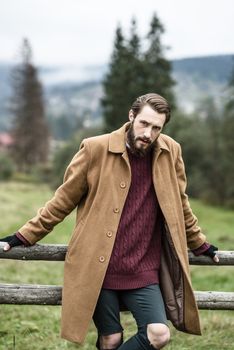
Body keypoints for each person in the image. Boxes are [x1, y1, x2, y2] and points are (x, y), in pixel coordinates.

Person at [1, 93, 219, 350]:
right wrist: (23, 236)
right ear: (131, 116)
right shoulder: (95, 149)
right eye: (144, 124)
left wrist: (200, 244)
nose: (149, 134)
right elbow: (62, 201)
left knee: (159, 334)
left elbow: (180, 204)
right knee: (110, 339)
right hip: (98, 267)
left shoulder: (170, 152)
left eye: (157, 128)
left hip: (143, 268)